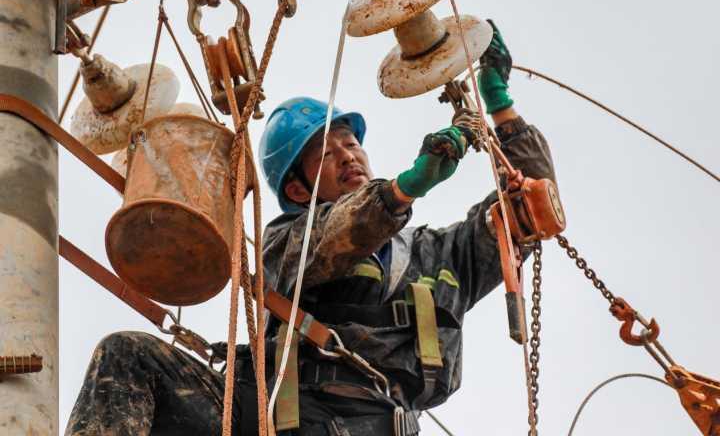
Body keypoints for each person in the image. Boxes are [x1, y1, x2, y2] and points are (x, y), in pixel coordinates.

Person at [65, 22, 556, 435]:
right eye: (326, 152)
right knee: (128, 356)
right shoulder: (287, 241)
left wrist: (501, 106)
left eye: (349, 143)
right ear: (298, 190)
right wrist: (402, 190)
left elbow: (531, 207)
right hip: (284, 419)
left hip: (377, 424)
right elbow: (340, 235)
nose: (348, 154)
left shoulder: (436, 257)